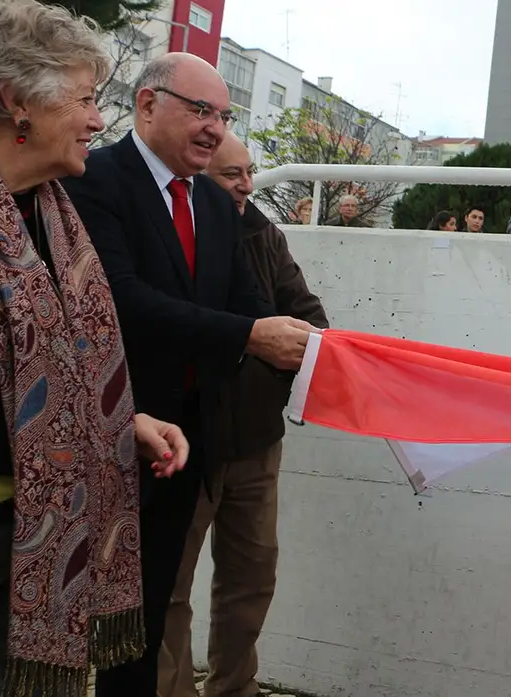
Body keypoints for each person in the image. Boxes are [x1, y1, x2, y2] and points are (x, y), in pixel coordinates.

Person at [60, 52, 318, 696]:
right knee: (121, 614)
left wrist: (311, 345)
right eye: (200, 110)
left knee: (150, 610)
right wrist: (251, 334)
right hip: (120, 431)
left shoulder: (209, 197)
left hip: (193, 441)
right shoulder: (95, 179)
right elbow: (122, 297)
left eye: (224, 116)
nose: (213, 127)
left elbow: (246, 302)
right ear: (147, 105)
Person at [0, 3, 191, 695]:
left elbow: (51, 371)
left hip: (33, 535)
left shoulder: (51, 215)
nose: (97, 121)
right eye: (83, 99)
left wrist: (119, 422)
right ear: (18, 102)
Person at [158, 137, 328, 697]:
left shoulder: (263, 234)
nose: (247, 185)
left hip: (255, 438)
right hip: (183, 441)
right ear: (198, 174)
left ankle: (235, 688)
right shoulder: (168, 235)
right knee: (169, 586)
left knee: (251, 578)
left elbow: (310, 322)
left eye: (250, 172)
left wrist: (269, 378)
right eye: (233, 174)